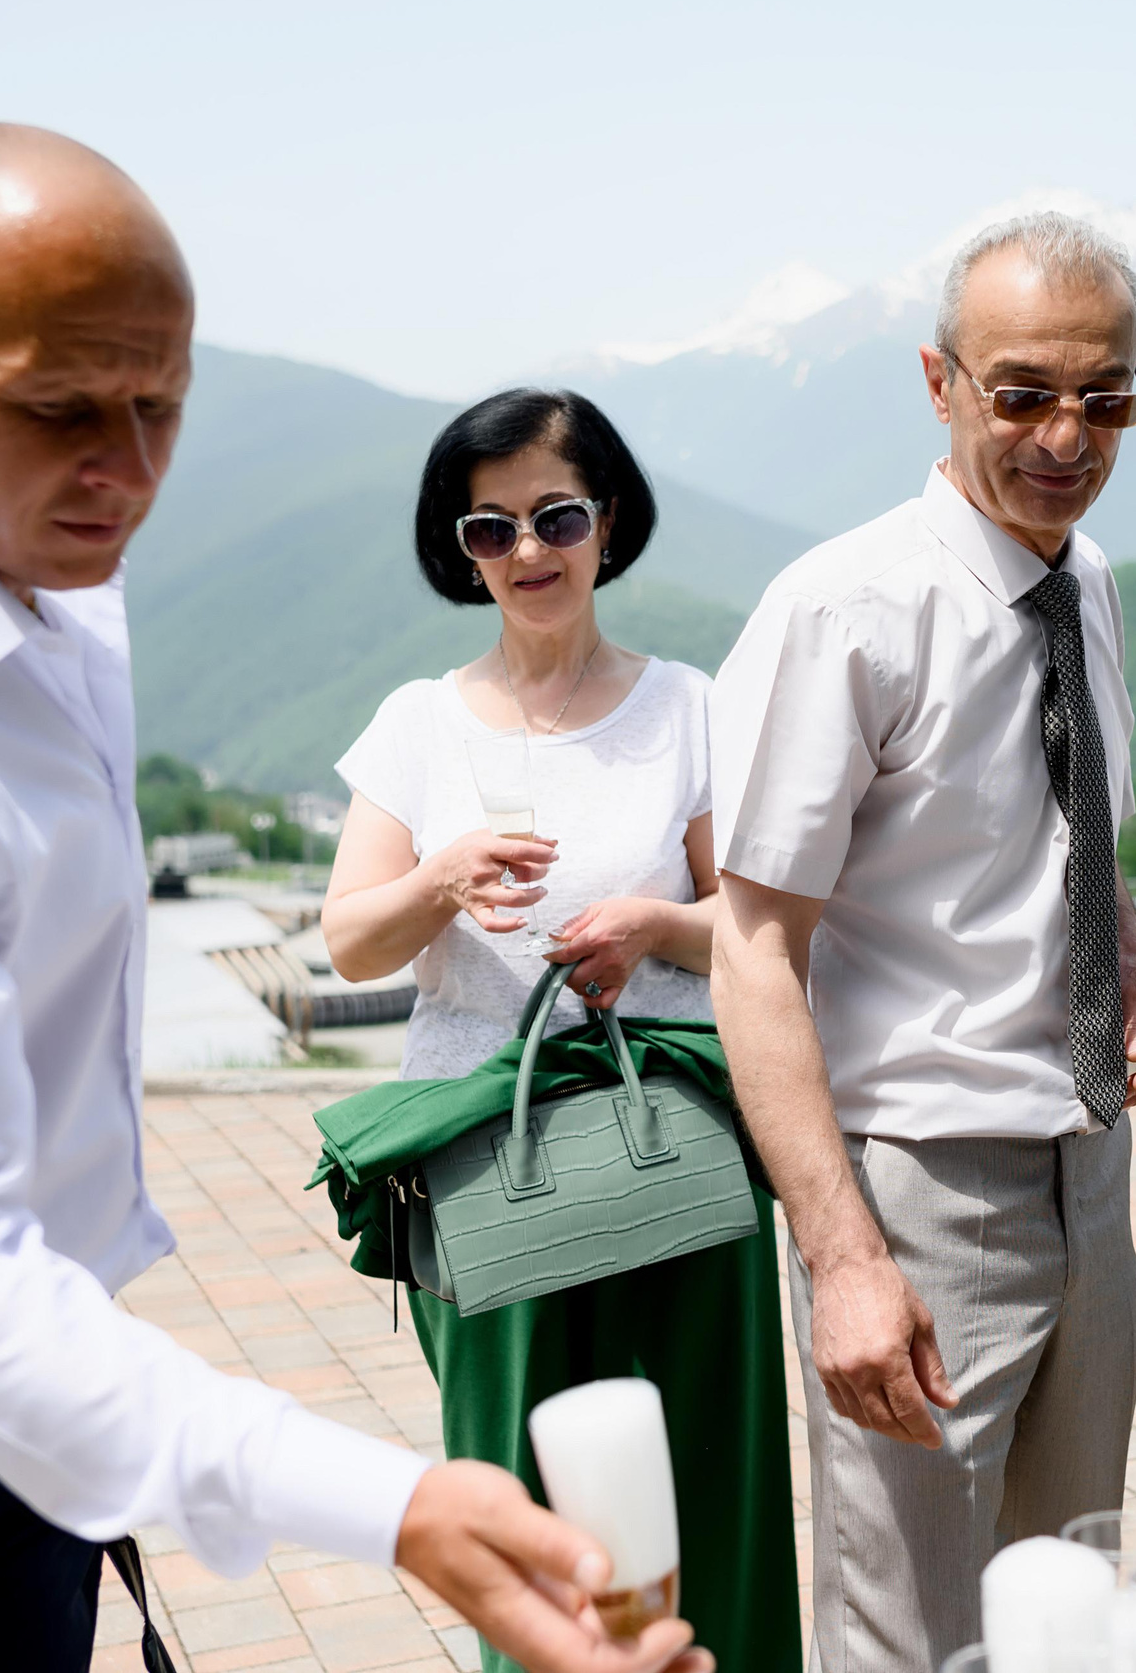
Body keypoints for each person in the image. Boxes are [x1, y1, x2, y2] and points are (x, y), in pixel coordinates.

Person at [0, 125, 703, 1673]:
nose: (127, 469)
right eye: (61, 407)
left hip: (33, 1387)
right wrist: (396, 1502)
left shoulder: (32, 543)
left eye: (162, 403)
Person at [709, 211, 1136, 1671]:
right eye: (1024, 391)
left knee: (1063, 1620)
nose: (1068, 432)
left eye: (1106, 396)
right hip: (917, 1190)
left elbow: (1061, 833)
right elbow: (751, 952)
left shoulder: (1088, 581)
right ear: (940, 381)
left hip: (1089, 1182)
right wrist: (844, 1255)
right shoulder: (842, 609)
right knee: (907, 1630)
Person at [321, 389, 798, 1673]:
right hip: (485, 1162)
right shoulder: (417, 725)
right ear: (460, 547)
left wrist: (651, 922)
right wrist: (441, 877)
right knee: (521, 1498)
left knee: (708, 1479)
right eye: (490, 528)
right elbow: (351, 938)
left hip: (675, 1144)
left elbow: (754, 928)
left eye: (557, 515)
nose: (528, 551)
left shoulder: (689, 705)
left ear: (609, 521)